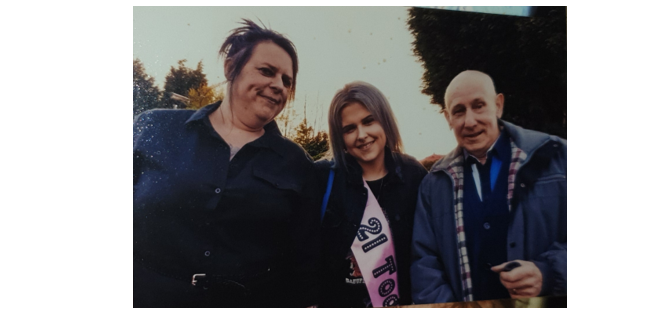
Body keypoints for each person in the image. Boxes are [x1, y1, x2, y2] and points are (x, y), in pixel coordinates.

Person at [133, 20, 320, 308]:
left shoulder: (298, 165)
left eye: (287, 80)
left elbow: (302, 266)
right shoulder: (155, 128)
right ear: (231, 67)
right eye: (267, 71)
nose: (278, 86)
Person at [411, 70, 566, 303]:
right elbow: (424, 263)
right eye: (459, 111)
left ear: (498, 105)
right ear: (447, 118)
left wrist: (549, 273)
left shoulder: (558, 159)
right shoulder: (434, 185)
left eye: (479, 106)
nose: (470, 121)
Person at [316, 82, 428, 307]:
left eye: (369, 121)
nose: (362, 135)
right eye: (349, 129)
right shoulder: (323, 179)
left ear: (384, 120)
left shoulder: (413, 175)